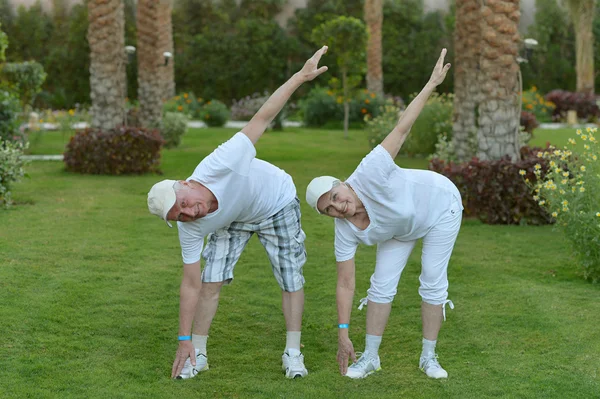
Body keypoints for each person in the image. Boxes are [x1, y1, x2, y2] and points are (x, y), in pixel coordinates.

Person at [147, 46, 329, 380]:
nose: (188, 213)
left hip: (275, 202)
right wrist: (182, 340)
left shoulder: (220, 162)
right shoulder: (189, 227)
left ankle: (293, 353)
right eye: (179, 216)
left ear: (186, 183)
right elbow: (189, 285)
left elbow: (263, 116)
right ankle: (197, 354)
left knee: (290, 277)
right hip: (233, 219)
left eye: (183, 204)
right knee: (209, 281)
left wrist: (300, 77)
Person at [305, 49, 460, 380]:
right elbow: (345, 283)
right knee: (380, 287)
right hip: (399, 229)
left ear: (342, 184)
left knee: (433, 281)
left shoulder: (370, 170)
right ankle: (370, 357)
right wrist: (343, 331)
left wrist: (432, 83)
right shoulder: (345, 229)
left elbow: (402, 128)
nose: (337, 207)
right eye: (329, 210)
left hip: (439, 206)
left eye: (335, 197)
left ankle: (429, 358)